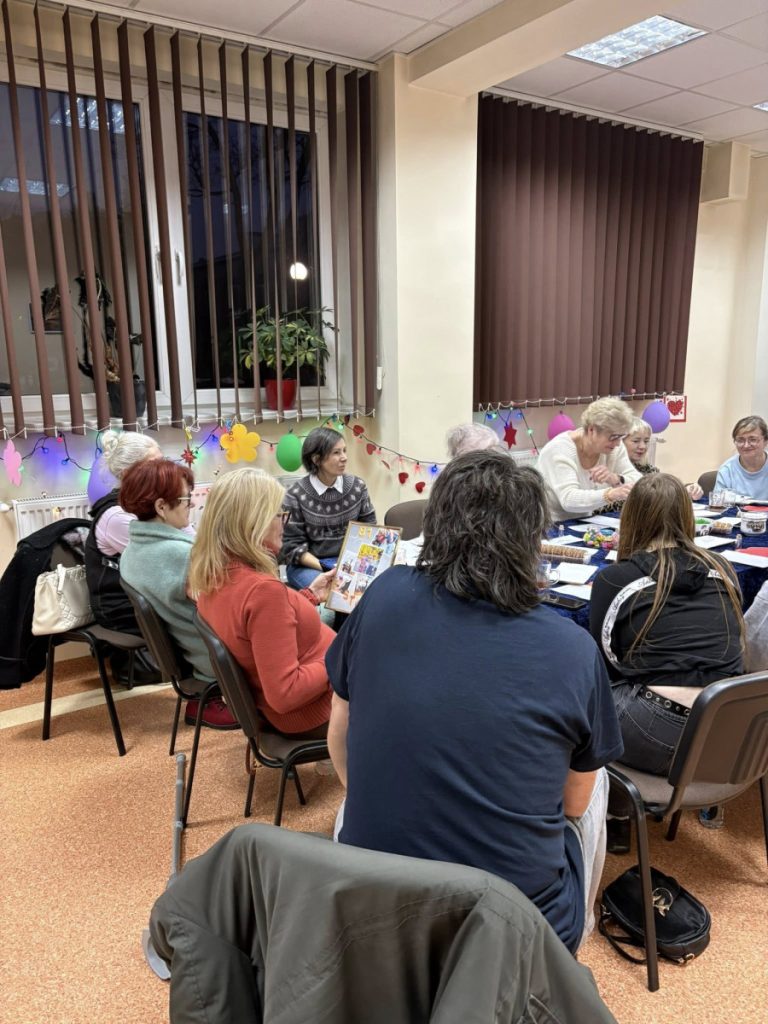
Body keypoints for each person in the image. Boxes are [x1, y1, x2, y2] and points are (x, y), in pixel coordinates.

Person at [326, 450, 623, 954]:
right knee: (598, 783)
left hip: (374, 900)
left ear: (435, 526)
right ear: (532, 541)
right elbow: (574, 803)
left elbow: (340, 723)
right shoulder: (571, 648)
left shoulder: (383, 594)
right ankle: (570, 953)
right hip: (515, 931)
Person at [590, 472, 744, 778]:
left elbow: (605, 663)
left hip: (657, 728)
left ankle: (601, 803)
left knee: (580, 696)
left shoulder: (613, 579)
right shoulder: (723, 567)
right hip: (729, 727)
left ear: (630, 518)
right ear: (688, 515)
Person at [190, 468, 335, 737]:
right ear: (253, 522)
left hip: (299, 702)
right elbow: (286, 694)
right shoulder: (262, 592)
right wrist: (341, 654)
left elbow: (259, 630)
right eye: (279, 515)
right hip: (315, 710)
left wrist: (310, 596)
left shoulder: (215, 574)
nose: (284, 523)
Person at [119, 459, 237, 730]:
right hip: (215, 659)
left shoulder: (131, 553)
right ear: (161, 507)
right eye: (185, 499)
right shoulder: (181, 555)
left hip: (192, 657)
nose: (191, 504)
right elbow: (230, 611)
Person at [84, 429, 162, 684]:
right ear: (129, 473)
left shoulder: (145, 505)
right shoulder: (116, 516)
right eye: (154, 465)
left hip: (143, 599)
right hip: (123, 608)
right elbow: (162, 559)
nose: (163, 471)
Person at [280, 427, 376, 591]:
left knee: (371, 586)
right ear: (316, 459)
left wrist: (354, 564)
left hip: (348, 561)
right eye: (336, 453)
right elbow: (291, 547)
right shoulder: (295, 495)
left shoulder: (357, 486)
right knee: (338, 589)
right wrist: (329, 569)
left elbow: (370, 528)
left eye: (344, 451)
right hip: (310, 565)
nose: (344, 458)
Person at [536, 397, 642, 521]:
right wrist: (610, 494)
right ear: (592, 430)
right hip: (549, 524)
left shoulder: (613, 448)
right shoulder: (559, 450)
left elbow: (639, 481)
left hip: (584, 520)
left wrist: (615, 478)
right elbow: (568, 500)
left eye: (621, 437)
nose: (618, 443)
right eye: (613, 437)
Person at [603, 416, 703, 510]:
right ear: (620, 443)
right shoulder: (607, 472)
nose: (642, 446)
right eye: (636, 441)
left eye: (646, 441)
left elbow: (664, 489)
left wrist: (686, 490)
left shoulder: (648, 469)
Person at [714, 415, 768, 500]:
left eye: (753, 439)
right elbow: (718, 503)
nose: (746, 445)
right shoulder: (727, 470)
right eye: (740, 440)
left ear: (765, 441)